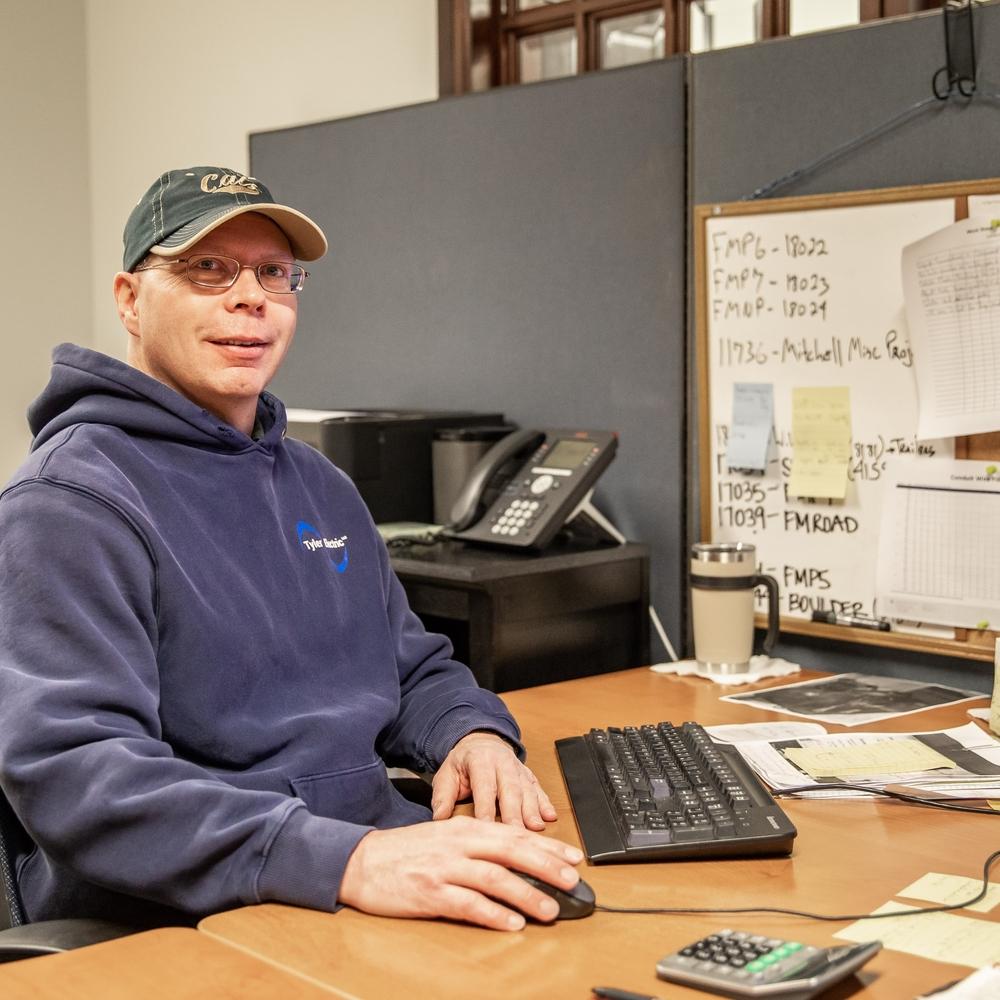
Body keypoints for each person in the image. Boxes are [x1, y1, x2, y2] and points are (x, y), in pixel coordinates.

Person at [0, 166, 582, 933]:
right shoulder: (71, 501)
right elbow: (78, 775)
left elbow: (411, 668)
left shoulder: (318, 484)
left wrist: (470, 732)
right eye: (207, 268)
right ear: (130, 299)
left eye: (274, 273)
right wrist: (347, 862)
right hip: (191, 916)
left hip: (359, 866)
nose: (251, 297)